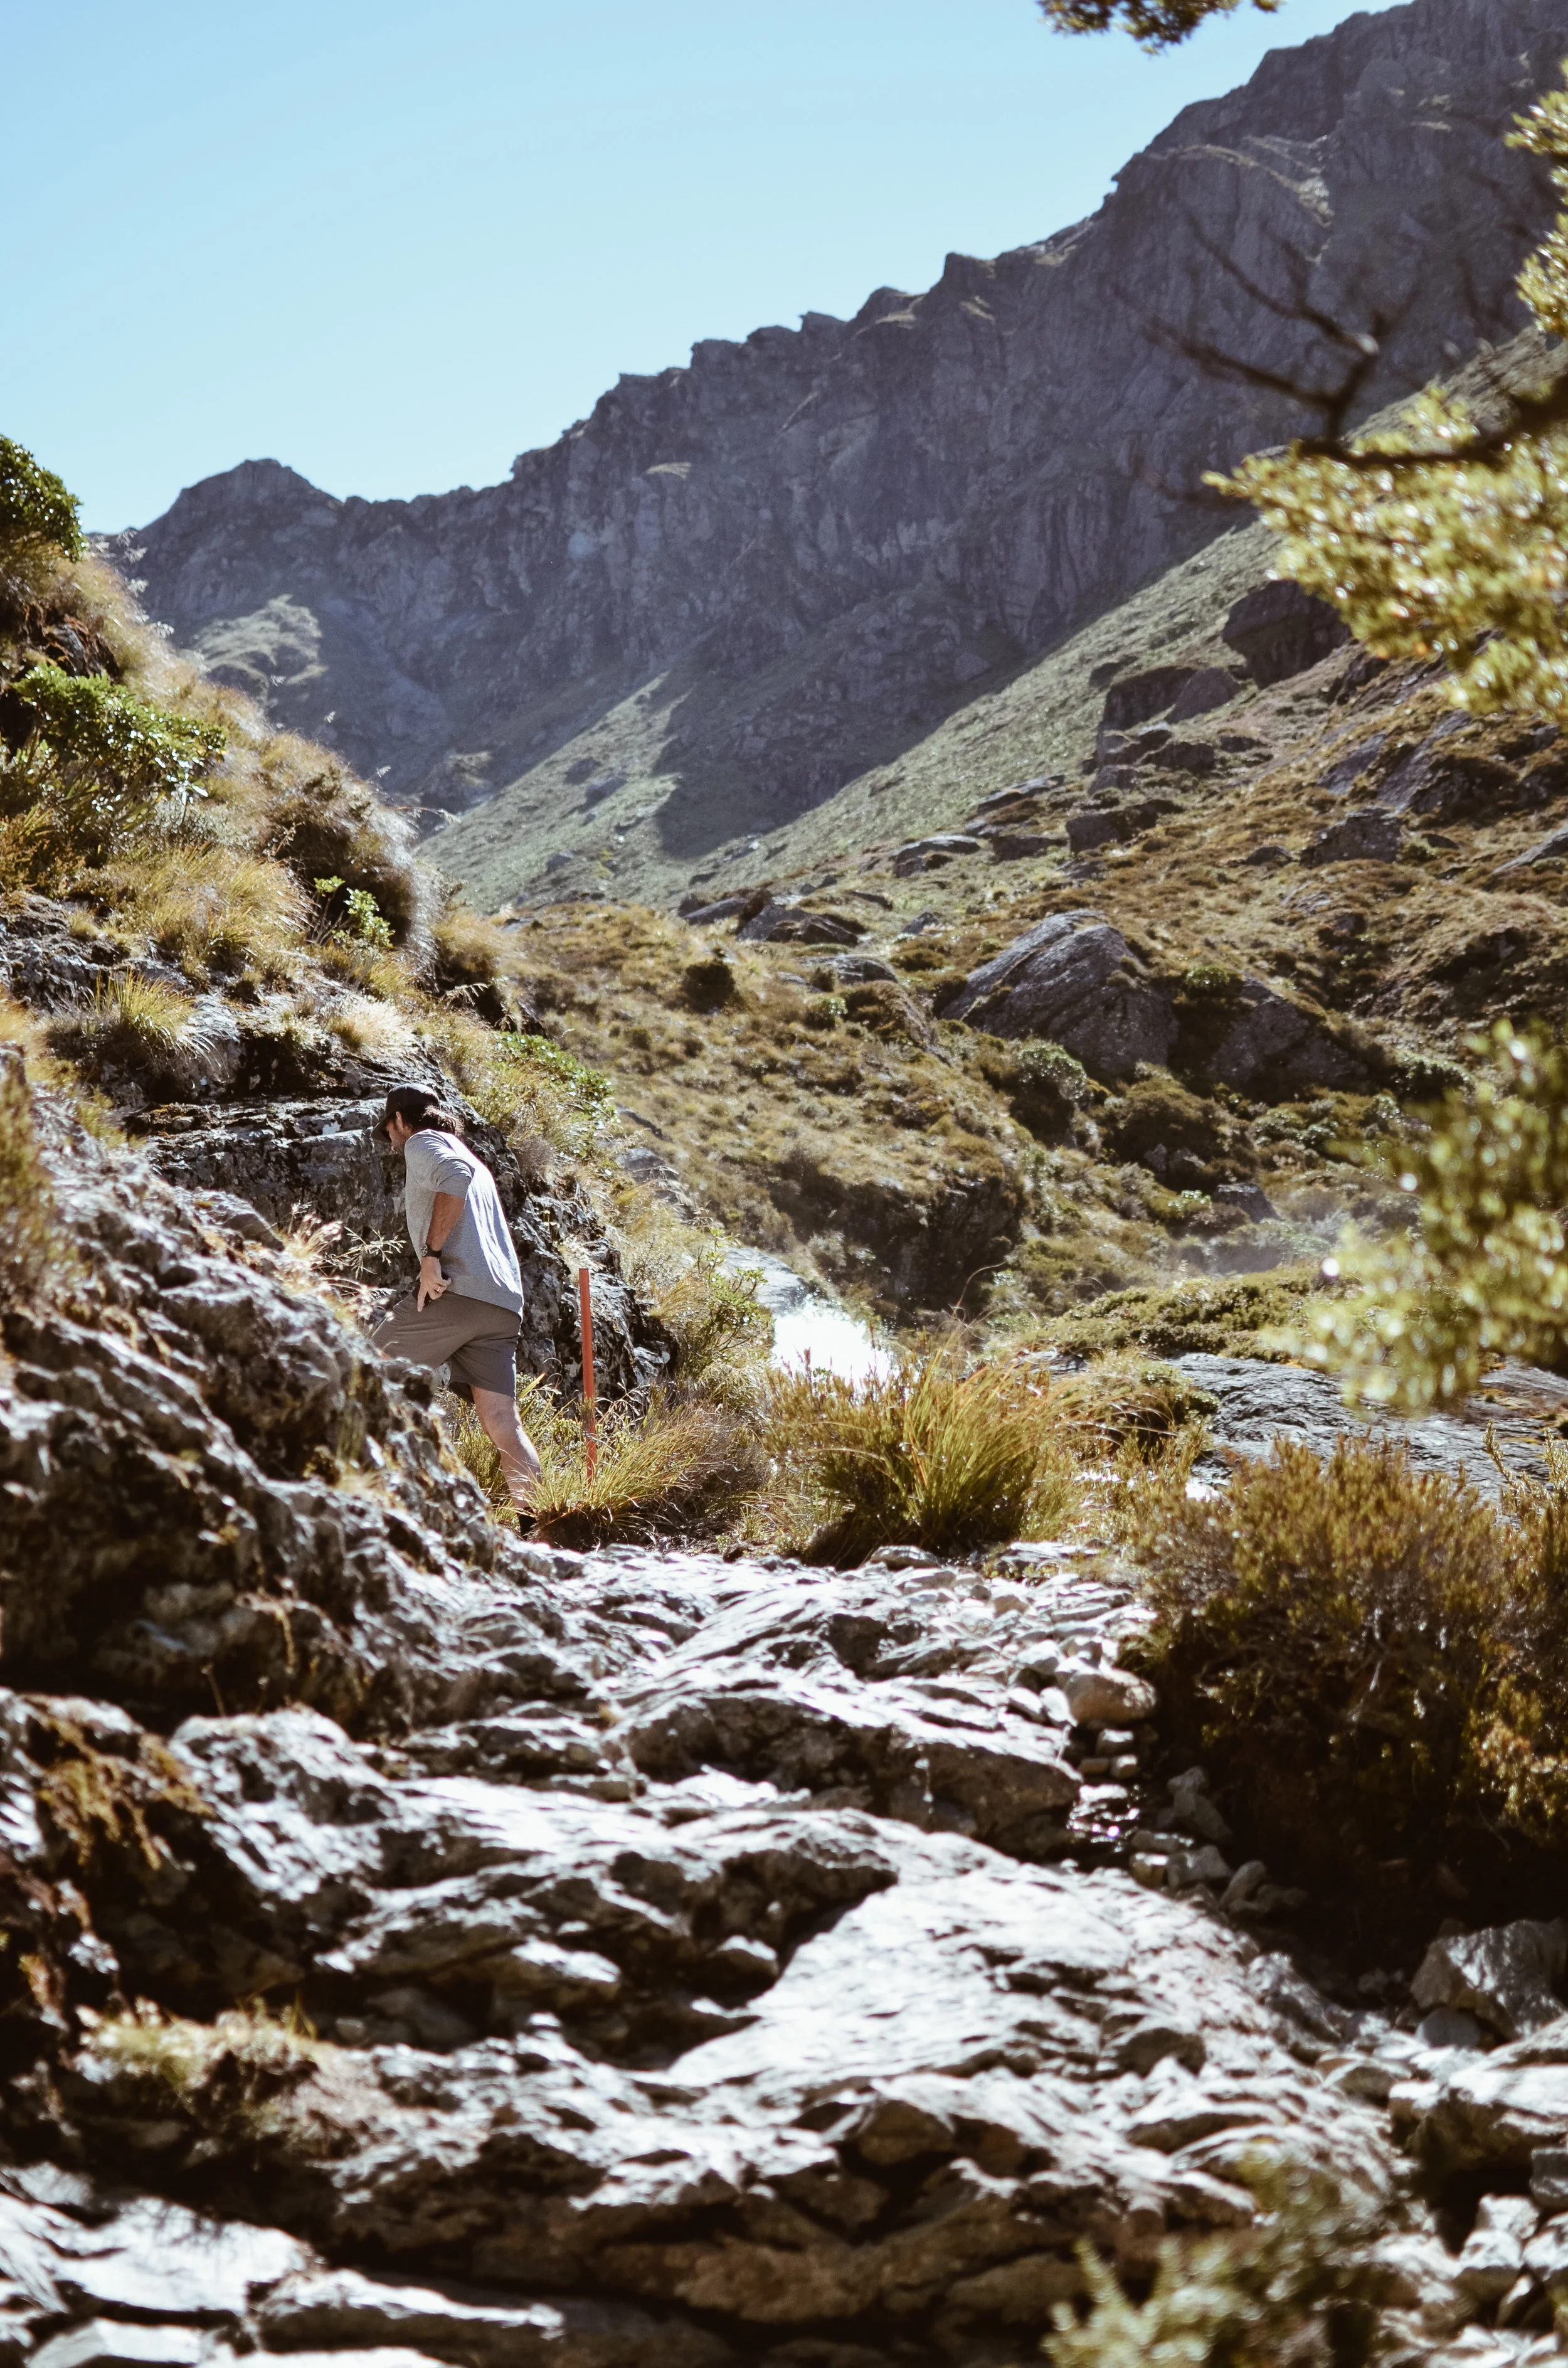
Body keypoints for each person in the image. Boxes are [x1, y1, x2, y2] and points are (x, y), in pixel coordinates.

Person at [373, 1083, 541, 1512]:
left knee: (366, 1370)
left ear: (400, 1120)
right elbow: (463, 1177)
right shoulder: (474, 1157)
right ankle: (538, 1529)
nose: (390, 1141)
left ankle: (370, 1501)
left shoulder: (422, 1142)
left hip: (457, 1292)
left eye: (389, 1129)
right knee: (505, 1424)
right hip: (502, 1307)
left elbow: (454, 1178)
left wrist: (430, 1257)